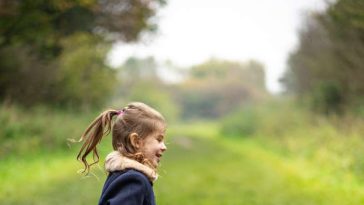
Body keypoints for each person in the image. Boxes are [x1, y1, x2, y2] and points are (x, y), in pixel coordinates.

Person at [76, 102, 167, 205]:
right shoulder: (134, 180)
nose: (164, 147)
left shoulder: (124, 174)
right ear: (136, 141)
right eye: (159, 140)